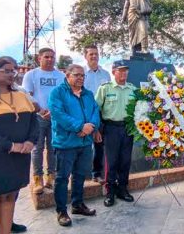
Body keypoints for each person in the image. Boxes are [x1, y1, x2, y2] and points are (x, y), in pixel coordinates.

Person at [0, 58, 38, 234]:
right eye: (6, 71)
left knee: (9, 197)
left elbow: (33, 122)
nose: (12, 74)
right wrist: (9, 145)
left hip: (18, 158)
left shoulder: (21, 95)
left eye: (13, 71)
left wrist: (31, 141)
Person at [48, 64, 100, 226]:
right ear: (67, 75)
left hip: (84, 143)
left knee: (79, 176)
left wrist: (90, 127)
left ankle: (77, 205)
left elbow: (95, 112)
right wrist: (79, 126)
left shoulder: (88, 94)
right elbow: (58, 114)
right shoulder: (58, 93)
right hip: (66, 144)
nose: (80, 78)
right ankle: (61, 211)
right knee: (62, 177)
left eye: (83, 76)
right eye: (76, 75)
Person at [22, 48, 65, 194]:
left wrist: (54, 111)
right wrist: (40, 110)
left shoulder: (60, 76)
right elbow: (26, 95)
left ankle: (51, 178)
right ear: (39, 58)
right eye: (46, 57)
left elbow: (63, 96)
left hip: (55, 117)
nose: (50, 59)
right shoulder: (31, 75)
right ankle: (37, 178)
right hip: (37, 117)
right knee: (37, 148)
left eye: (53, 57)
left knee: (53, 148)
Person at [95, 61, 136, 207]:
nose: (124, 73)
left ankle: (123, 190)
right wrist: (97, 129)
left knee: (125, 161)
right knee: (111, 162)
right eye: (120, 70)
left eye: (126, 71)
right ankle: (110, 192)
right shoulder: (105, 88)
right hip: (111, 128)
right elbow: (96, 109)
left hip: (127, 129)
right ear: (113, 72)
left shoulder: (132, 89)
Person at [83, 44, 111, 184]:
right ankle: (81, 173)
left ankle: (96, 173)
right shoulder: (81, 73)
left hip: (100, 113)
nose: (94, 56)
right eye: (91, 54)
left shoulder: (105, 74)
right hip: (84, 113)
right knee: (83, 144)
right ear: (85, 56)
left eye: (96, 54)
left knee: (99, 143)